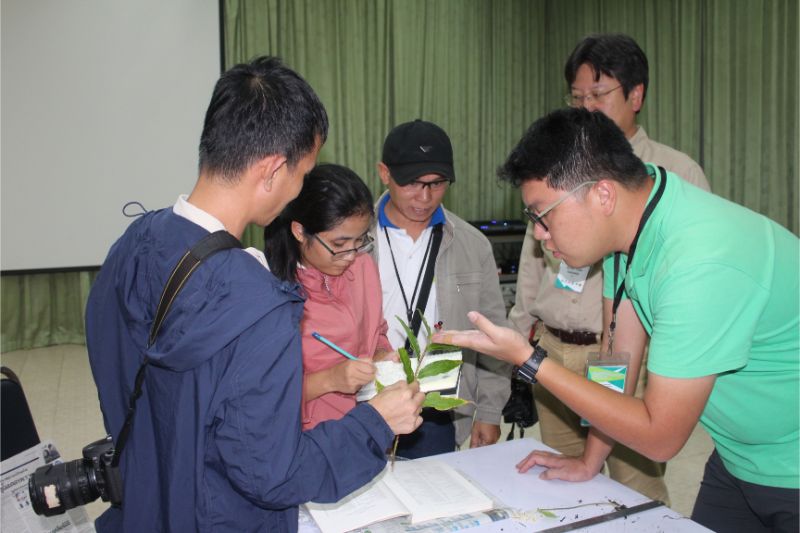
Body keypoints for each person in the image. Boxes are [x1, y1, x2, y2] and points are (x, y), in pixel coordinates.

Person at [85, 56, 425, 532]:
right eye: (303, 173)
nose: (299, 188)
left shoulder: (133, 244)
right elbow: (273, 473)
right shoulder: (257, 303)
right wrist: (375, 424)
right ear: (271, 170)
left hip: (146, 501)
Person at [435, 107, 799, 533]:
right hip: (741, 457)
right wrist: (591, 460)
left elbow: (660, 438)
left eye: (542, 214)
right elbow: (616, 363)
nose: (538, 234)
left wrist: (528, 360)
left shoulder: (699, 263)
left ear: (602, 195)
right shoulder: (633, 228)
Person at [508, 33, 710, 503]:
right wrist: (523, 341)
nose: (587, 108)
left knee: (636, 489)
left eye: (599, 95)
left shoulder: (675, 174)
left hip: (628, 361)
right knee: (562, 484)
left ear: (636, 95)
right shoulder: (560, 169)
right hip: (555, 350)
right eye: (577, 97)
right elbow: (532, 266)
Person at [369, 119, 512, 458]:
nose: (425, 197)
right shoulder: (356, 240)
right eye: (413, 184)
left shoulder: (472, 245)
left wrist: (489, 412)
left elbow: (494, 334)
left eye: (437, 184)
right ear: (384, 173)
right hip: (367, 403)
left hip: (437, 410)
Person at [264, 163, 397, 430]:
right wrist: (330, 379)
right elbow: (262, 396)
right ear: (300, 231)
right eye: (339, 244)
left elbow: (376, 332)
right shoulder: (269, 292)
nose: (351, 254)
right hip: (306, 439)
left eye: (360, 240)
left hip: (367, 427)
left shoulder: (362, 268)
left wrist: (383, 356)